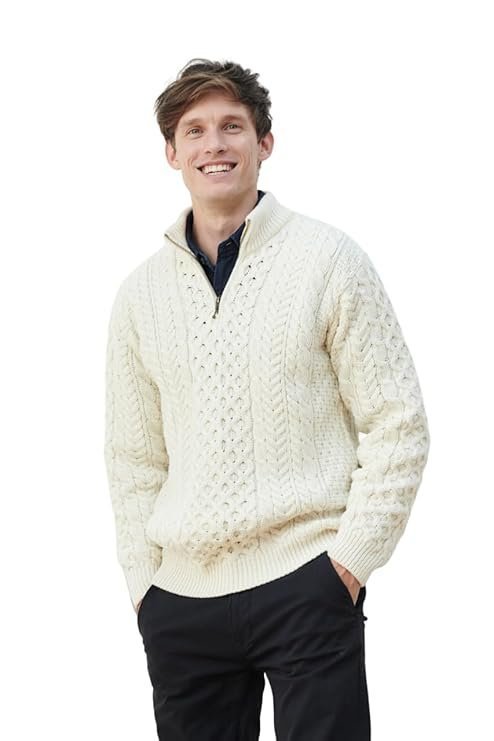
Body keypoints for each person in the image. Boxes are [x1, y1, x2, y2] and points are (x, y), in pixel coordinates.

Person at [104, 58, 431, 740]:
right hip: (182, 602)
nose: (214, 145)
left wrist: (350, 561)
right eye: (194, 131)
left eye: (232, 126)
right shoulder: (139, 296)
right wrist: (144, 586)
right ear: (172, 153)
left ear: (265, 143)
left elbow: (397, 421)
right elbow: (134, 457)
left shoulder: (329, 259)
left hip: (307, 581)